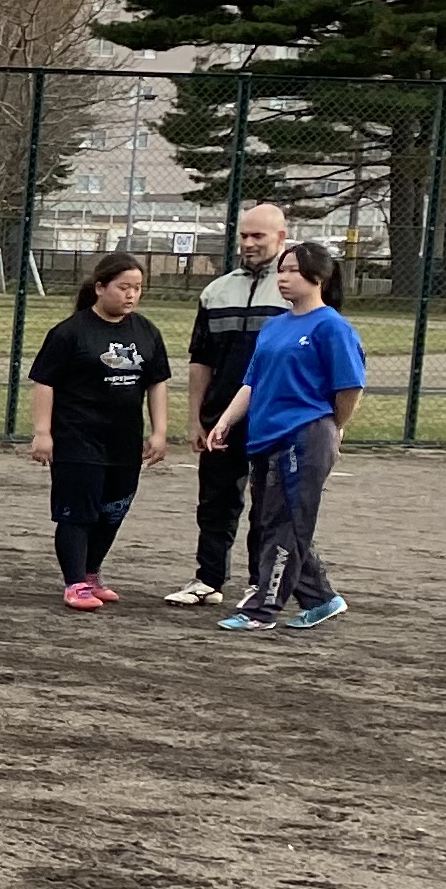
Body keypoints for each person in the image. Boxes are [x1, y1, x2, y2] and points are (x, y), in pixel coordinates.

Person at [207, 239, 370, 634]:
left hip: (305, 435)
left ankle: (263, 609)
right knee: (274, 521)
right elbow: (253, 381)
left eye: (293, 270)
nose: (283, 278)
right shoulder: (275, 326)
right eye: (281, 270)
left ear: (319, 276)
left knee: (285, 524)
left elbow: (349, 387)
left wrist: (335, 428)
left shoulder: (331, 326)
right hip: (267, 436)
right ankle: (320, 598)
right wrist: (226, 420)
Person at [25, 248, 171, 609]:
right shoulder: (70, 333)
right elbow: (44, 382)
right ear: (100, 288)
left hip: (123, 441)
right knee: (79, 512)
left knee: (113, 510)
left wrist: (159, 432)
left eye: (137, 288)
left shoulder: (146, 332)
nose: (131, 295)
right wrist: (43, 432)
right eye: (124, 287)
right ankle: (75, 582)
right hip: (78, 438)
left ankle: (91, 573)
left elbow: (157, 383)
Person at [167, 202, 289, 607]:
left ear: (281, 238)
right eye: (244, 235)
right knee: (215, 501)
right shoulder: (216, 292)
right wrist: (196, 419)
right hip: (221, 417)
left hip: (275, 418)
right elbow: (200, 361)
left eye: (258, 236)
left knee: (269, 505)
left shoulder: (296, 292)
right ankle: (208, 579)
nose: (249, 243)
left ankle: (261, 583)